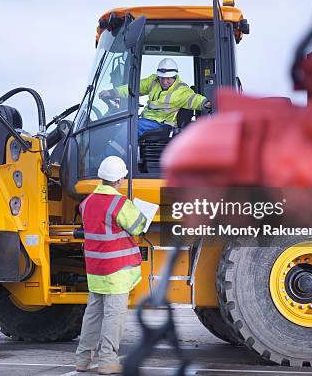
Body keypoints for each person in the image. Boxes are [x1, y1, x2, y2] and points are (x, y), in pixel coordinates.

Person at [75, 156, 147, 375]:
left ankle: (82, 359)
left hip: (96, 269)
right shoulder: (119, 203)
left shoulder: (86, 203)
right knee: (114, 316)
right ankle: (107, 361)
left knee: (93, 314)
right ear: (120, 180)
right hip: (116, 270)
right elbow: (138, 226)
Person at [99, 57, 212, 137]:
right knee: (123, 124)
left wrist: (205, 103)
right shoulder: (154, 81)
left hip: (162, 124)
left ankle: (111, 157)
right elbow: (134, 87)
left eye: (168, 78)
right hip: (146, 120)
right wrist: (113, 92)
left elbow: (193, 99)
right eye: (162, 78)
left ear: (174, 77)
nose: (165, 81)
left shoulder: (181, 90)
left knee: (129, 128)